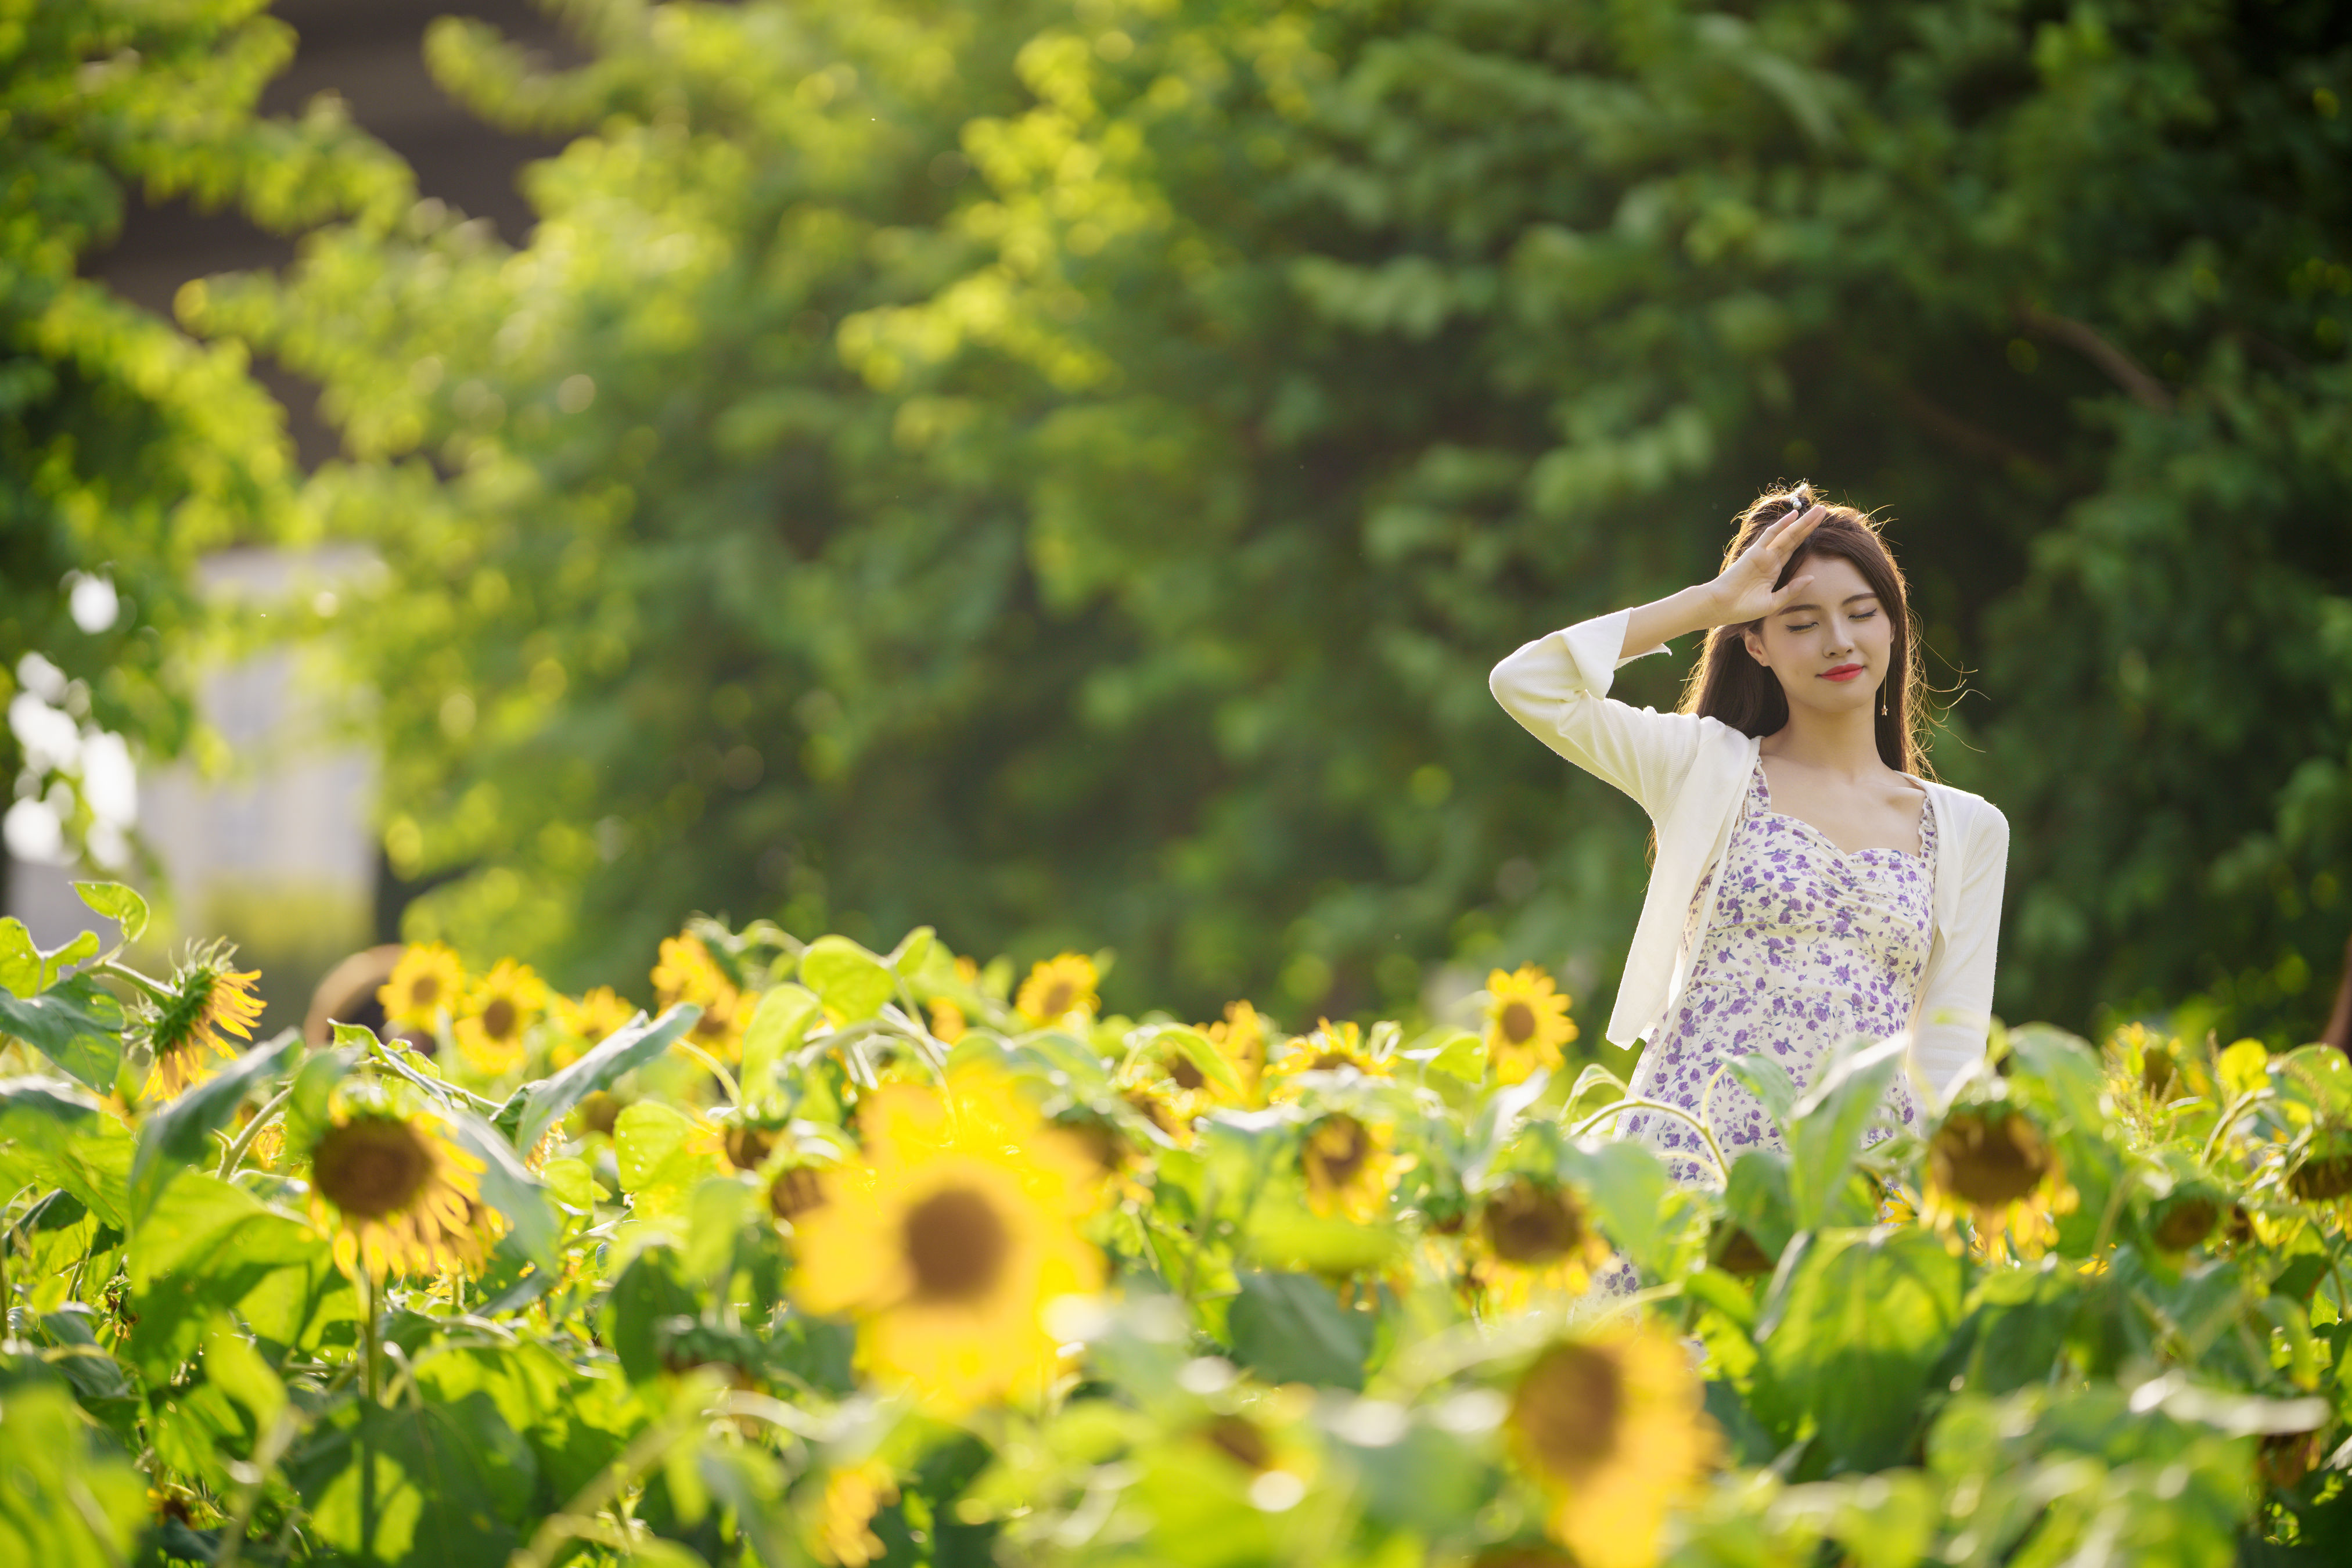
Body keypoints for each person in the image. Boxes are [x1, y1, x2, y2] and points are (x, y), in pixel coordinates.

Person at [1488, 483, 2009, 1184]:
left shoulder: (1969, 828)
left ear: (1893, 627)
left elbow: (1951, 1051)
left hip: (1856, 1184)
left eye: (1862, 613)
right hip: (1689, 1159)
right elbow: (1527, 684)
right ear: (1756, 644)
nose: (1839, 641)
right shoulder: (1704, 767)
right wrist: (1710, 603)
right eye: (1800, 622)